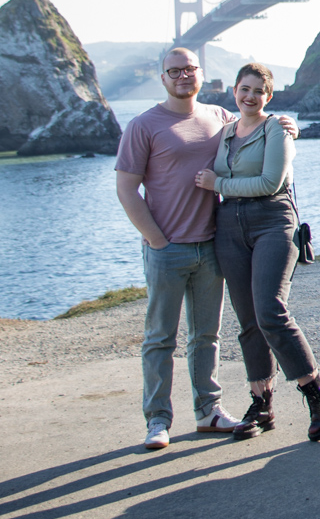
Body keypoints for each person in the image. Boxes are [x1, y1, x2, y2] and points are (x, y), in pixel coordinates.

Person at [114, 47, 298, 451]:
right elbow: (126, 189)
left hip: (213, 244)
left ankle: (208, 411)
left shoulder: (220, 117)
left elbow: (255, 122)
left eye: (190, 69)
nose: (183, 75)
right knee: (160, 338)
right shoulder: (143, 126)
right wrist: (156, 238)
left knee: (206, 337)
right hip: (167, 248)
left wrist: (286, 124)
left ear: (200, 73)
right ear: (162, 77)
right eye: (174, 70)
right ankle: (158, 420)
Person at [194, 63, 320, 443]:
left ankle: (318, 392)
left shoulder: (277, 128)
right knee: (248, 321)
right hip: (229, 227)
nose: (250, 96)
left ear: (269, 96)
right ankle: (261, 404)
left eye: (258, 91)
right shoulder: (226, 130)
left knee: (270, 311)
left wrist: (217, 184)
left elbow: (269, 182)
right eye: (244, 89)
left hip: (272, 221)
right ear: (234, 91)